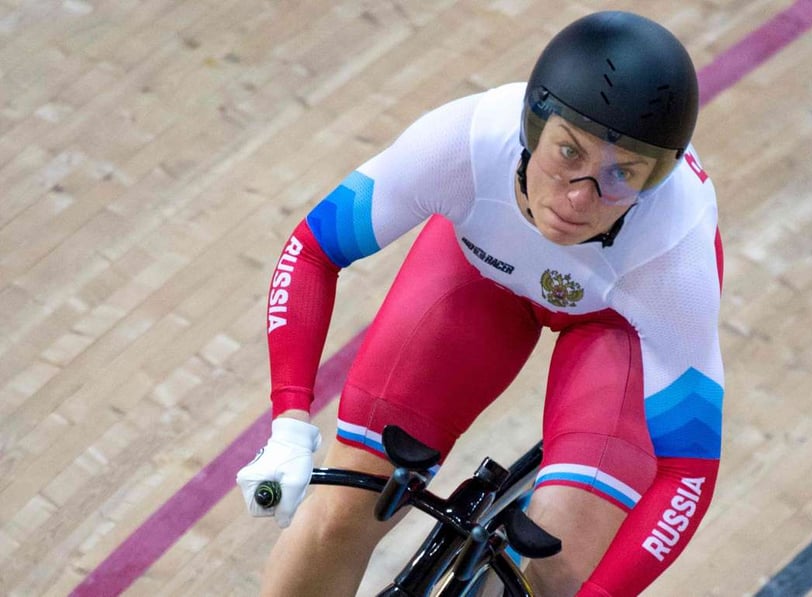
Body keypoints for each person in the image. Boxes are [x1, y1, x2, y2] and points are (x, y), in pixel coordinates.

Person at [236, 10, 724, 597]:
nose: (578, 198)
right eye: (568, 153)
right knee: (341, 513)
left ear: (657, 179)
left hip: (617, 325)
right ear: (531, 125)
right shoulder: (464, 142)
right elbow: (313, 251)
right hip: (479, 273)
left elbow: (688, 470)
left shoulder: (674, 252)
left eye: (623, 175)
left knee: (555, 568)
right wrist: (290, 423)